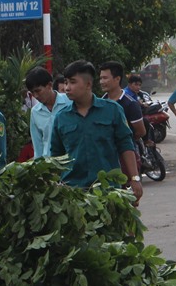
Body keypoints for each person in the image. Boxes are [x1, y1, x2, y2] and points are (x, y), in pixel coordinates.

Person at [50, 60, 142, 205]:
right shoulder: (61, 118)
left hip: (109, 191)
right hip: (73, 194)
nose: (67, 88)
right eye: (66, 83)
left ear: (88, 84)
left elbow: (126, 145)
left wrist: (135, 178)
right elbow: (55, 156)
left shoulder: (112, 110)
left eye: (72, 82)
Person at [25, 66, 70, 159]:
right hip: (48, 165)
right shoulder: (35, 112)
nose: (35, 96)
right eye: (32, 93)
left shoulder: (69, 102)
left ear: (49, 85)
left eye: (38, 91)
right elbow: (38, 145)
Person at [99, 61, 147, 144]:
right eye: (101, 78)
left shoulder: (130, 104)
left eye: (105, 78)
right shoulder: (100, 102)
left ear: (117, 79)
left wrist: (124, 143)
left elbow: (141, 132)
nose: (101, 82)